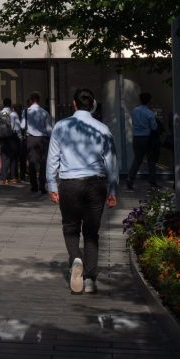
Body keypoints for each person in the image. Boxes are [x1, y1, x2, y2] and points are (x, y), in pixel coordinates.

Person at [46, 89, 118, 295]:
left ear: (74, 104)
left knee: (70, 227)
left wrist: (51, 185)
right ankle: (90, 280)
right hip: (96, 183)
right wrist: (113, 189)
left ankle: (75, 259)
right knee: (92, 232)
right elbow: (111, 162)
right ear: (93, 104)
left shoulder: (61, 127)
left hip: (69, 183)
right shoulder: (102, 128)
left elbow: (53, 159)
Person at [126, 92, 159, 190]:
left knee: (137, 159)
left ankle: (130, 178)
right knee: (151, 160)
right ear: (149, 100)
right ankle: (152, 182)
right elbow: (154, 127)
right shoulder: (150, 113)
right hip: (147, 138)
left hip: (136, 137)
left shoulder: (135, 111)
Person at [22, 93, 51, 195]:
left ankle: (34, 186)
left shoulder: (25, 112)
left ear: (30, 100)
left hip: (31, 139)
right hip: (42, 139)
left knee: (32, 163)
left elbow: (22, 126)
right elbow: (48, 129)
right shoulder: (45, 112)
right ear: (39, 100)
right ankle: (42, 186)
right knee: (43, 163)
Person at [0, 98, 22, 186]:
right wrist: (20, 138)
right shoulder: (13, 114)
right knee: (13, 157)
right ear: (10, 104)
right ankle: (14, 177)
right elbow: (17, 128)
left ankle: (5, 178)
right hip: (12, 137)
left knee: (4, 157)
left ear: (3, 104)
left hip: (2, 138)